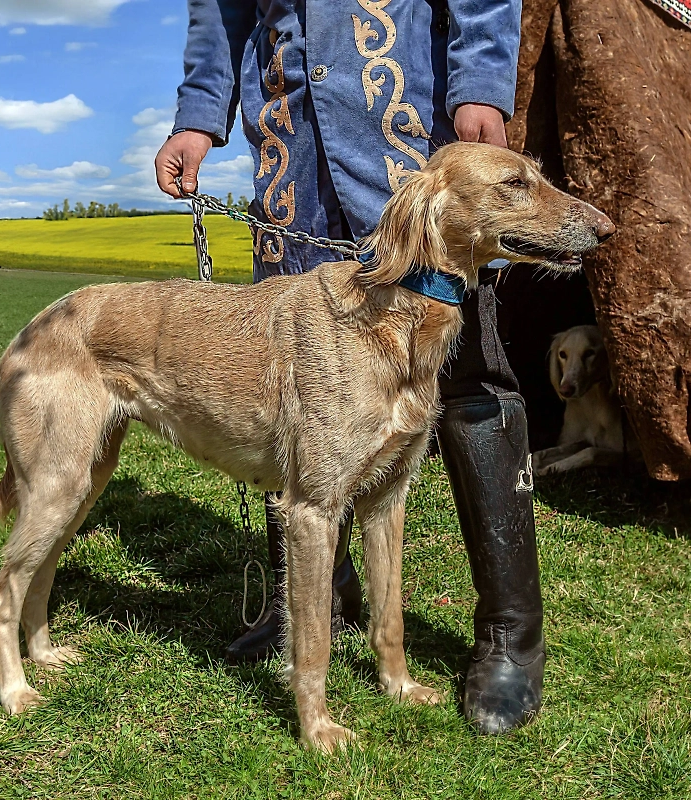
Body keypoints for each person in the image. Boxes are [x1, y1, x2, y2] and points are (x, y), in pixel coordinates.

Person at [155, 0, 543, 734]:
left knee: (466, 375)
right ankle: (319, 611)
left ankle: (508, 635)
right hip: (290, 147)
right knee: (304, 393)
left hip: (396, 126)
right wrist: (201, 112)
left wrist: (483, 81)